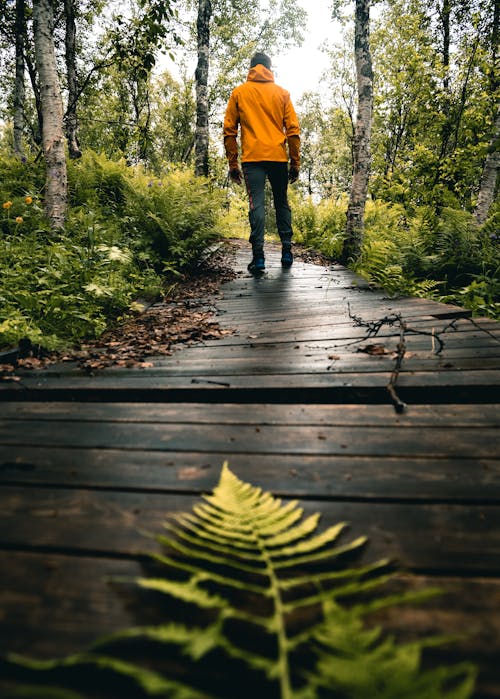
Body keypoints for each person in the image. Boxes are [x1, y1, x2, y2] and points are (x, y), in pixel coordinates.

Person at [223, 51, 300, 275]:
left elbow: (229, 131)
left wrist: (233, 164)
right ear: (269, 67)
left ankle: (259, 258)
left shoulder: (239, 92)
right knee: (281, 202)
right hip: (277, 157)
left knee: (256, 204)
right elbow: (293, 131)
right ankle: (287, 251)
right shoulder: (282, 94)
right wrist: (295, 163)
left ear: (251, 68)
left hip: (252, 159)